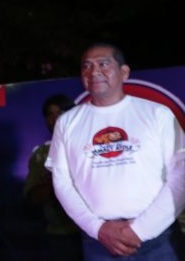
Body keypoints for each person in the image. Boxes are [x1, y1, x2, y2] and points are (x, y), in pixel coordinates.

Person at [45, 43, 185, 260]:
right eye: (86, 66)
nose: (94, 72)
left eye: (103, 64)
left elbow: (181, 174)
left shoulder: (157, 114)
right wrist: (97, 228)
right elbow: (63, 182)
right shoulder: (67, 122)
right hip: (99, 241)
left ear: (124, 72)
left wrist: (141, 229)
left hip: (158, 238)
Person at [24, 93, 82, 261]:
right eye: (50, 114)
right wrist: (55, 184)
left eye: (61, 112)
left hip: (97, 232)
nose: (56, 118)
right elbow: (33, 197)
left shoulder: (91, 146)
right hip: (61, 236)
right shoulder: (40, 155)